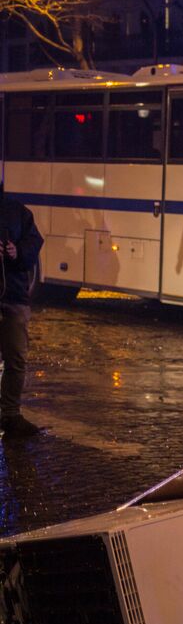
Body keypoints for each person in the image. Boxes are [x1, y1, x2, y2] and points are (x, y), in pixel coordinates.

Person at [0, 184, 44, 437]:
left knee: (16, 358)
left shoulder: (16, 210)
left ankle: (10, 415)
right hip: (13, 294)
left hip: (14, 295)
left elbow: (34, 242)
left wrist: (17, 252)